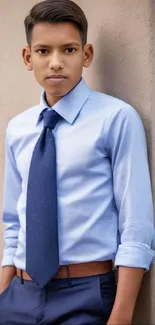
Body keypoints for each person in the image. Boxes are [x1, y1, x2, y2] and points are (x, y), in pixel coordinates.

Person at [0, 0, 154, 324]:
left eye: (68, 50)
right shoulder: (18, 128)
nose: (56, 62)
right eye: (43, 51)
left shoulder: (116, 119)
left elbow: (136, 227)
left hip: (86, 294)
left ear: (87, 55)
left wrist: (121, 316)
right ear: (28, 58)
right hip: (18, 295)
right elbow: (13, 220)